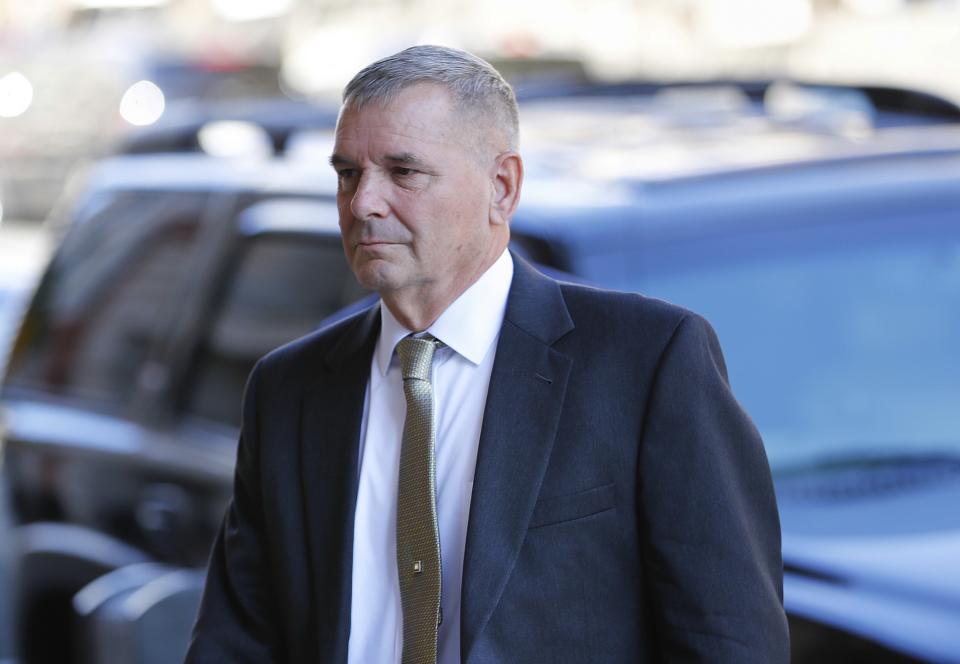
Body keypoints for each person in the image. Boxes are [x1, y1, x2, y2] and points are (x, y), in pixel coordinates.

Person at [186, 45, 789, 663]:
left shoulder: (646, 361)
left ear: (502, 187)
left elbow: (729, 642)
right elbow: (236, 641)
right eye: (347, 174)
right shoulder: (290, 389)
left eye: (403, 172)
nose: (363, 202)